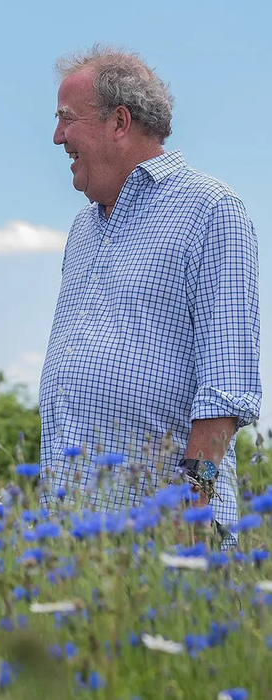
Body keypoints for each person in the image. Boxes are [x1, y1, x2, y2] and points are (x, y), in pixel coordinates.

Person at [39, 47, 261, 539]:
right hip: (74, 541)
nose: (57, 137)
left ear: (119, 122)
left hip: (166, 539)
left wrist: (189, 515)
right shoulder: (83, 230)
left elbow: (227, 387)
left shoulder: (210, 210)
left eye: (66, 119)